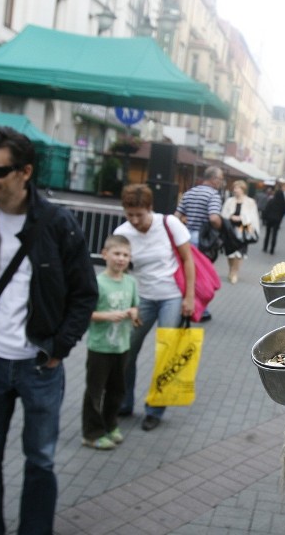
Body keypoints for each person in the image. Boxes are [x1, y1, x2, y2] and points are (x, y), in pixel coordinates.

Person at [0, 125, 98, 535]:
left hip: (40, 366)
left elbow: (84, 293)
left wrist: (59, 348)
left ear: (25, 172)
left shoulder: (58, 222)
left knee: (41, 460)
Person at [115, 184, 195, 432]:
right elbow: (122, 271)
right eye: (130, 214)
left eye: (140, 214)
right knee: (127, 351)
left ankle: (155, 410)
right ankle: (124, 402)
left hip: (171, 297)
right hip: (142, 299)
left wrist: (189, 297)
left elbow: (187, 259)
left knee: (166, 354)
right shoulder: (123, 232)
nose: (135, 220)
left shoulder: (169, 224)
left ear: (150, 208)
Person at [81, 234, 140, 450]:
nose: (121, 259)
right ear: (105, 254)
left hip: (122, 346)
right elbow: (87, 312)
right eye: (116, 253)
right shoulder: (97, 282)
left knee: (117, 390)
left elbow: (136, 309)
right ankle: (91, 433)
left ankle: (110, 424)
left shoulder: (131, 282)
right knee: (95, 390)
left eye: (125, 255)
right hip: (100, 347)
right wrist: (107, 316)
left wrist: (134, 314)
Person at [175, 166, 223, 321]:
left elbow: (176, 216)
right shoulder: (213, 195)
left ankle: (184, 304)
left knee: (187, 273)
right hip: (202, 240)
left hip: (185, 237)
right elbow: (214, 218)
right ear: (214, 179)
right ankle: (202, 310)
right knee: (203, 274)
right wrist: (221, 227)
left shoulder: (190, 192)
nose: (221, 182)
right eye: (220, 179)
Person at [220, 180, 260, 284]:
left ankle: (234, 273)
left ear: (243, 189)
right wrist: (230, 217)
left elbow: (253, 217)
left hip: (243, 229)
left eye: (237, 188)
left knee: (240, 253)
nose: (235, 190)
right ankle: (231, 270)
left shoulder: (250, 202)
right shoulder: (229, 201)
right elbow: (223, 215)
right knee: (230, 253)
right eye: (234, 188)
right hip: (230, 230)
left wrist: (241, 218)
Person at [261, 179, 285, 255]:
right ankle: (272, 249)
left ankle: (265, 247)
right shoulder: (282, 204)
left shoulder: (271, 201)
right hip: (277, 220)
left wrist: (264, 219)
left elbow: (266, 210)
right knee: (274, 234)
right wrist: (280, 219)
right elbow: (283, 212)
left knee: (267, 233)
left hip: (269, 220)